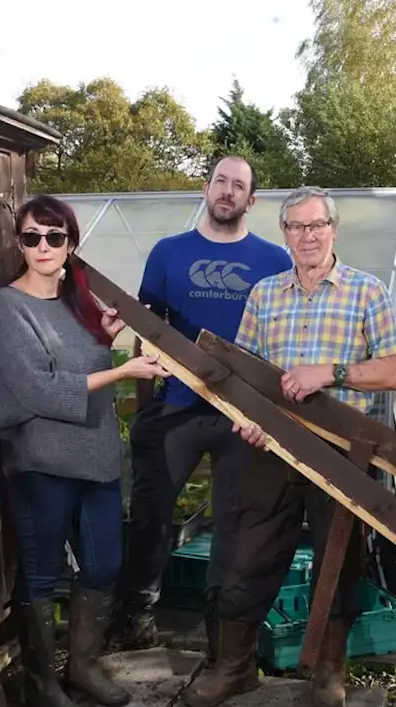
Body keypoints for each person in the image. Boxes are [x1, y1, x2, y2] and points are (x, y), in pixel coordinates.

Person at [181, 186, 396, 707]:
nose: (307, 236)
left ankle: (329, 672)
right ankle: (236, 667)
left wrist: (329, 374)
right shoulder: (264, 294)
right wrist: (253, 421)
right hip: (273, 451)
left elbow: (394, 371)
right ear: (284, 234)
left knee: (338, 555)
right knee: (248, 552)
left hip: (342, 455)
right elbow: (241, 375)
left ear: (333, 228)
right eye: (297, 227)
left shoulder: (365, 291)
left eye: (317, 225)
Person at [0, 194, 170, 707]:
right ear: (19, 242)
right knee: (42, 572)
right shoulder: (8, 306)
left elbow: (80, 366)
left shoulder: (77, 301)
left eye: (55, 236)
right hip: (39, 460)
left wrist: (107, 341)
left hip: (95, 456)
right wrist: (122, 370)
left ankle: (83, 666)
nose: (43, 247)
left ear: (71, 243)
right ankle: (41, 684)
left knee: (104, 564)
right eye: (31, 237)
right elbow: (38, 391)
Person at [109, 157, 292, 659]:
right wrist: (146, 380)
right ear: (206, 189)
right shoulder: (169, 253)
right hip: (179, 407)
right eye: (220, 181)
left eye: (239, 185)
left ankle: (223, 635)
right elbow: (148, 324)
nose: (227, 191)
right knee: (151, 514)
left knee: (234, 526)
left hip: (242, 416)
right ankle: (135, 619)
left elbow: (282, 336)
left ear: (251, 201)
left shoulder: (274, 260)